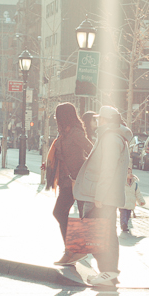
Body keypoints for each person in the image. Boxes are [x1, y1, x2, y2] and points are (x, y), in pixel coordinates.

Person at [74, 106, 132, 286]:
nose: (97, 121)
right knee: (106, 234)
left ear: (106, 120)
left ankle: (107, 273)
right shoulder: (112, 137)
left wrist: (99, 195)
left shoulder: (111, 138)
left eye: (100, 119)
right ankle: (109, 274)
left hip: (102, 197)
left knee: (95, 233)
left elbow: (107, 170)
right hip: (104, 195)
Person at [44, 103, 93, 265]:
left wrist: (83, 171)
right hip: (66, 181)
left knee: (82, 216)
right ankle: (72, 250)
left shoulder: (76, 133)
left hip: (78, 180)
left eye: (57, 115)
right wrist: (51, 164)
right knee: (59, 212)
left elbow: (91, 150)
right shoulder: (63, 134)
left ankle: (74, 251)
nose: (55, 118)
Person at [119, 167, 146, 232]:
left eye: (131, 172)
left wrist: (141, 201)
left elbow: (138, 194)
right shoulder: (122, 184)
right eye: (128, 173)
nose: (130, 174)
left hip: (130, 204)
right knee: (123, 215)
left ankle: (125, 224)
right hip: (123, 203)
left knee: (128, 216)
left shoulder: (134, 184)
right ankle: (123, 224)